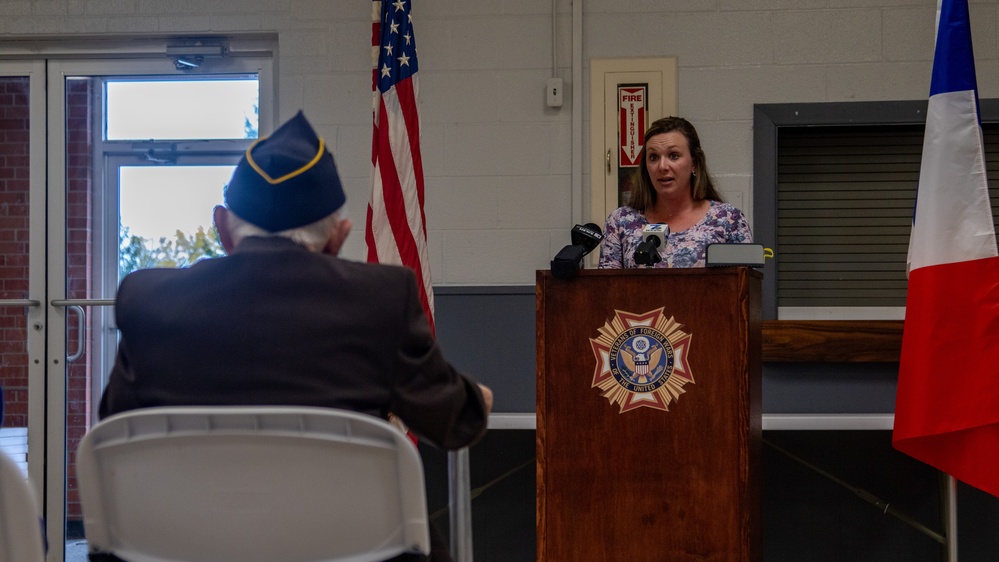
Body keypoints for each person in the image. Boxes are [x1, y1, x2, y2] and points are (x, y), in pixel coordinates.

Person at [98, 111, 493, 562]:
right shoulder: (382, 300)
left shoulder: (147, 301)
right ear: (338, 239)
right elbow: (456, 423)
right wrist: (476, 398)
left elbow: (113, 427)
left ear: (223, 227)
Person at [598, 116, 752, 268]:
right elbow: (607, 288)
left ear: (694, 163)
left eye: (673, 156)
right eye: (653, 157)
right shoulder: (621, 222)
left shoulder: (728, 220)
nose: (662, 166)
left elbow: (746, 287)